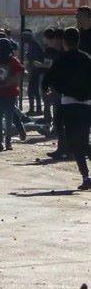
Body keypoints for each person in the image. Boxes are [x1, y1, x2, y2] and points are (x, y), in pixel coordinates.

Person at [45, 27, 91, 190]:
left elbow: (49, 76)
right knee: (83, 140)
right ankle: (86, 176)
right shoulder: (86, 58)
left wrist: (48, 89)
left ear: (65, 42)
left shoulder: (62, 58)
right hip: (86, 105)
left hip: (69, 104)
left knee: (75, 143)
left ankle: (86, 176)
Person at [43, 27, 69, 159]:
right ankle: (62, 148)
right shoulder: (57, 53)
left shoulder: (66, 54)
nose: (52, 42)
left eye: (54, 39)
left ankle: (68, 150)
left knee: (65, 122)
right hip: (57, 91)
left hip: (66, 93)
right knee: (59, 122)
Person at [23, 29, 46, 115]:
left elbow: (35, 60)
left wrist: (31, 70)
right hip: (35, 71)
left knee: (33, 91)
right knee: (33, 91)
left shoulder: (33, 45)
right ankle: (35, 109)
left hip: (36, 71)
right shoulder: (32, 44)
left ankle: (36, 109)